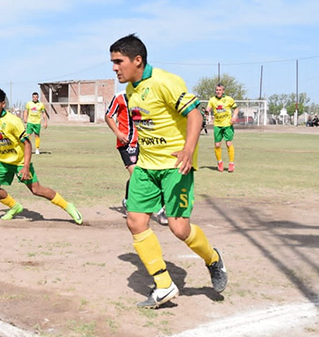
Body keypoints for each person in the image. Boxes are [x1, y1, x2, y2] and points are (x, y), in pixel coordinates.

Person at [109, 34, 227, 309]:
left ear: (137, 60)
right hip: (146, 166)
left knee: (178, 227)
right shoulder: (131, 90)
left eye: (118, 61)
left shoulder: (165, 81)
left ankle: (212, 259)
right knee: (136, 222)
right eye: (112, 62)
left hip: (175, 166)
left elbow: (195, 114)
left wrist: (188, 150)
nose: (114, 68)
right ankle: (164, 286)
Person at [0, 86, 83, 225]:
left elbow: (27, 144)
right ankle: (15, 206)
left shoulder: (13, 121)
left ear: (3, 104)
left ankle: (68, 206)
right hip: (2, 160)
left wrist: (25, 167)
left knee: (36, 190)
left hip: (20, 161)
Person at [104, 90, 168, 225]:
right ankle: (156, 210)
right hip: (127, 143)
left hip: (145, 143)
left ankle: (131, 201)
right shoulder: (119, 97)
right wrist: (118, 132)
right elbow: (108, 116)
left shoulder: (145, 97)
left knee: (149, 174)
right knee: (137, 175)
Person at [206, 83, 239, 172]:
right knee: (217, 145)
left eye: (220, 90)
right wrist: (206, 112)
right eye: (217, 90)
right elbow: (208, 109)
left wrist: (234, 116)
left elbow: (236, 109)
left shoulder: (229, 99)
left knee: (228, 143)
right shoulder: (212, 100)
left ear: (223, 91)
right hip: (217, 125)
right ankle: (219, 162)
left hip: (228, 125)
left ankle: (231, 163)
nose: (218, 91)